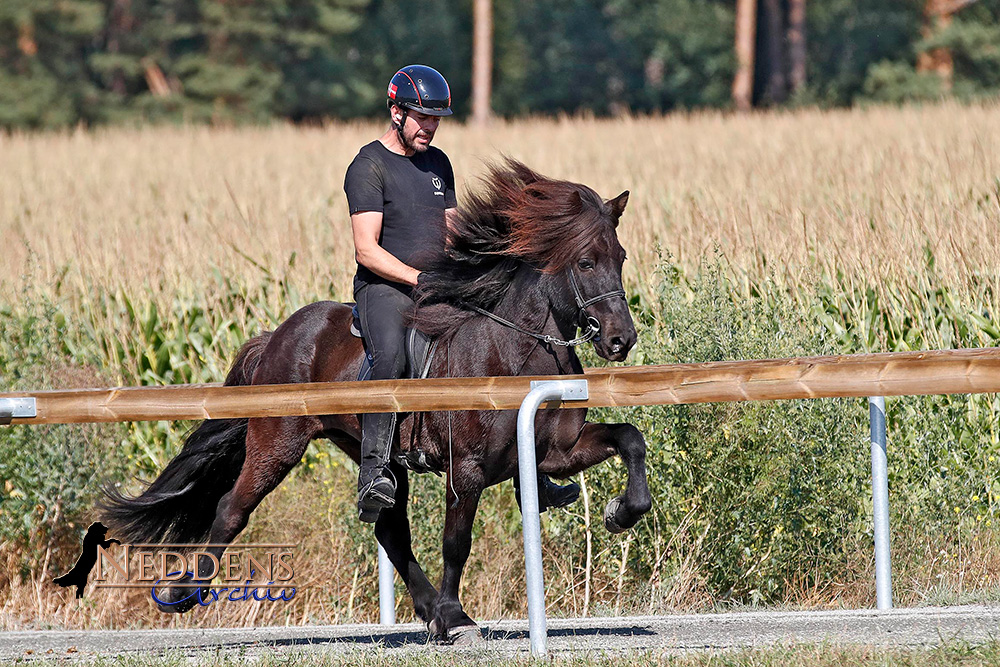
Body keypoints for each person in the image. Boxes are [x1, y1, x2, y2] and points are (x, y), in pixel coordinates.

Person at [345, 64, 579, 523]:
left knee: (504, 342)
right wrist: (416, 279)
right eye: (421, 117)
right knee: (391, 356)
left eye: (436, 119)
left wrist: (484, 266)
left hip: (436, 283)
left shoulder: (439, 164)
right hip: (386, 289)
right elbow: (366, 249)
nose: (430, 126)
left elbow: (452, 230)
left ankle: (532, 471)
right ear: (395, 112)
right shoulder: (368, 166)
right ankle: (374, 470)